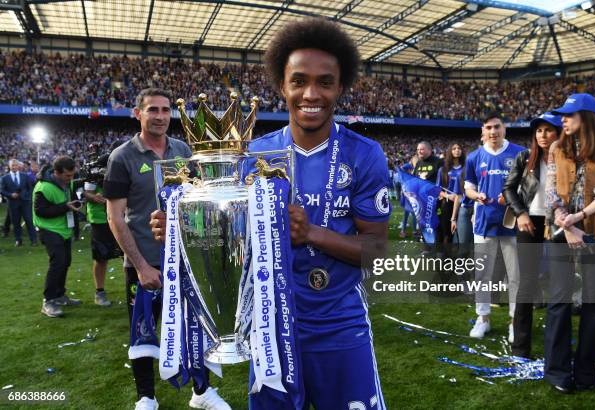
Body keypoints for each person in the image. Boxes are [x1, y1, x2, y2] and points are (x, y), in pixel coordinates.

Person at [151, 18, 390, 409]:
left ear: (341, 87)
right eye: (299, 81)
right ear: (282, 85)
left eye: (325, 82)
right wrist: (182, 231)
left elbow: (375, 249)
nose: (311, 93)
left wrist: (310, 233)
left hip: (339, 326)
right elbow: (225, 237)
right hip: (268, 328)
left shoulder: (365, 154)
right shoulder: (252, 157)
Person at [103, 88, 229, 410]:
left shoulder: (183, 150)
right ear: (138, 114)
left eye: (165, 110)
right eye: (152, 110)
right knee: (144, 331)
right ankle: (146, 397)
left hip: (186, 261)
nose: (160, 116)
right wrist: (142, 266)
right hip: (145, 263)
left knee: (195, 327)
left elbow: (198, 199)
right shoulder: (121, 157)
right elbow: (115, 218)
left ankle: (201, 392)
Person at [544, 93, 595, 393]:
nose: (563, 120)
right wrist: (566, 221)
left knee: (594, 304)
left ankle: (587, 374)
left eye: (569, 115)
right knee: (559, 301)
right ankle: (558, 372)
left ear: (587, 117)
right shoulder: (557, 147)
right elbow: (549, 191)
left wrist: (579, 217)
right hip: (562, 231)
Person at [502, 112, 561, 358]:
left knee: (559, 284)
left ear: (559, 132)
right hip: (529, 223)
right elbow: (508, 188)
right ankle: (520, 348)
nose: (543, 135)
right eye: (539, 130)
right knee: (527, 283)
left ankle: (555, 348)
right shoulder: (525, 157)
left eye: (548, 130)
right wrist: (521, 213)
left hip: (558, 222)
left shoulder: (567, 159)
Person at [464, 111, 525, 340]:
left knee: (515, 275)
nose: (493, 132)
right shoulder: (474, 157)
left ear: (504, 128)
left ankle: (514, 321)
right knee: (482, 273)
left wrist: (512, 196)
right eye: (488, 127)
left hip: (513, 221)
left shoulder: (520, 153)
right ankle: (483, 318)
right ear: (482, 131)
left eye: (497, 127)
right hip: (484, 222)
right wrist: (476, 195)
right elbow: (468, 188)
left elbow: (529, 185)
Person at [33, 156, 83, 317]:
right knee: (58, 263)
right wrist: (65, 207)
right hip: (49, 229)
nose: (71, 178)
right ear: (56, 172)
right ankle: (48, 301)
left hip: (63, 229)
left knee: (65, 262)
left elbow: (69, 201)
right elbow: (40, 211)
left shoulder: (66, 183)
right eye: (67, 175)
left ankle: (60, 295)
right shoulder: (43, 187)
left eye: (72, 174)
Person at [83, 158, 121, 307]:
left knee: (127, 256)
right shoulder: (94, 169)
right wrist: (96, 197)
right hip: (100, 219)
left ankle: (133, 288)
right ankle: (99, 292)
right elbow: (87, 193)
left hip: (121, 217)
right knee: (101, 257)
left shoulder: (124, 165)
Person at [1, 159, 37, 246]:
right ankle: (18, 240)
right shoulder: (4, 178)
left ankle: (34, 240)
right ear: (9, 166)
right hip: (13, 203)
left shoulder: (25, 176)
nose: (14, 167)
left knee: (29, 221)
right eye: (12, 165)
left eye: (15, 165)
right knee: (16, 222)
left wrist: (27, 196)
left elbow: (30, 188)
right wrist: (10, 195)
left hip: (25, 203)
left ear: (18, 166)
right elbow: (2, 190)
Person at [436, 143, 464, 244]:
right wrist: (448, 195)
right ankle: (446, 257)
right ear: (449, 152)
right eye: (454, 148)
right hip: (447, 204)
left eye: (459, 148)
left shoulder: (466, 168)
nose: (457, 150)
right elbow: (438, 189)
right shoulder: (443, 170)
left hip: (463, 204)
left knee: (462, 234)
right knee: (447, 233)